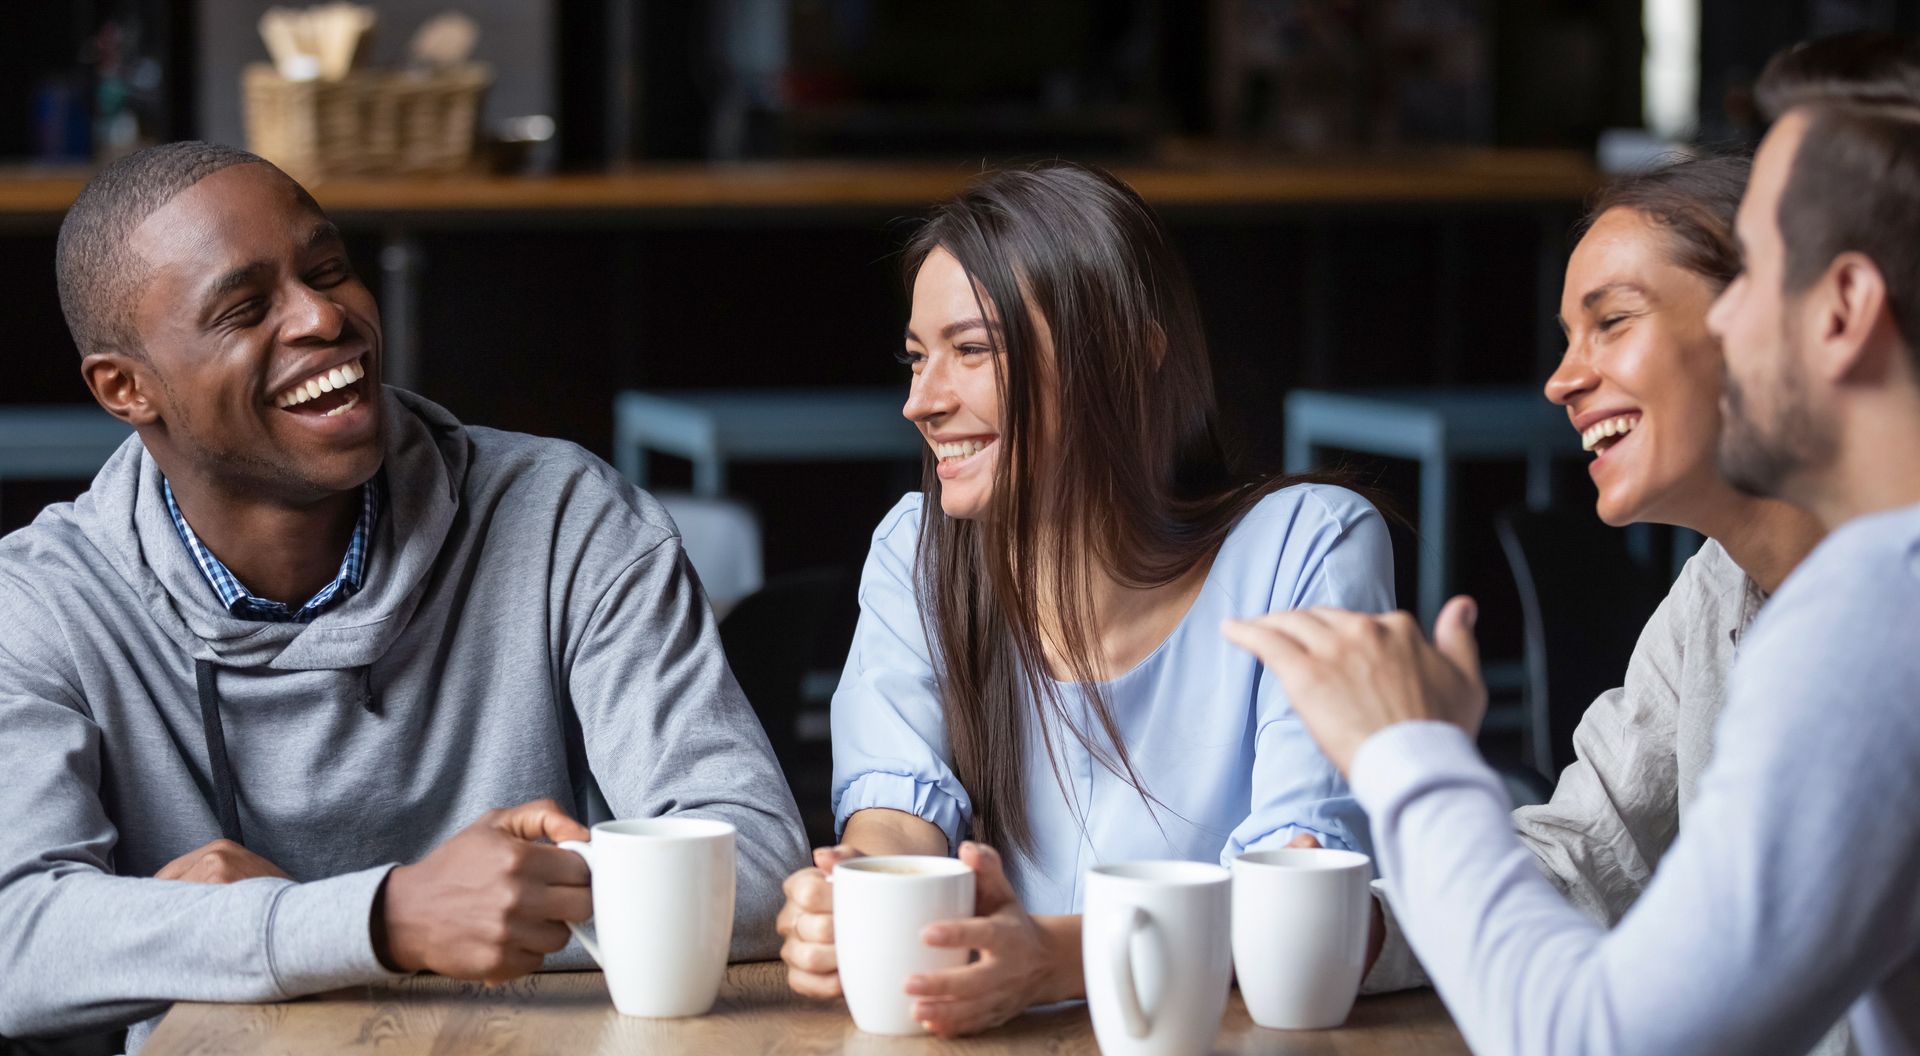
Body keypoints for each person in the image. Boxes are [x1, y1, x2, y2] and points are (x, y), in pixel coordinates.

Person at [0, 142, 807, 1050]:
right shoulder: (38, 606)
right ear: (126, 387)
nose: (322, 317)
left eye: (329, 269)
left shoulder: (569, 521)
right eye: (245, 308)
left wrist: (295, 925)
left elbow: (756, 863)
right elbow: (17, 942)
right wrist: (386, 919)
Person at [1224, 84, 1920, 1056]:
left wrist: (1409, 754)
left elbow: (1598, 1034)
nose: (1559, 380)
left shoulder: (1877, 615)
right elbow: (1590, 852)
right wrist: (1354, 920)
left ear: (1842, 308)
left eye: (1758, 274)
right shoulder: (1734, 593)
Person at [774, 162, 1395, 1036]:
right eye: (917, 357)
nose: (922, 400)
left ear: (1129, 357)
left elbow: (1295, 911)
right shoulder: (920, 553)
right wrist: (858, 900)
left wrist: (1053, 957)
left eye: (973, 350)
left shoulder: (1306, 547)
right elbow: (896, 821)